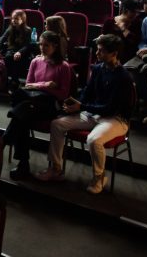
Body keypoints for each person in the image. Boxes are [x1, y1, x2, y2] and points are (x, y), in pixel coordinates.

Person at [37, 34, 133, 195]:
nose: (97, 54)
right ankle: (56, 168)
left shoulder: (123, 77)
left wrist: (81, 106)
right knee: (57, 124)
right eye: (97, 50)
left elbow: (109, 108)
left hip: (116, 119)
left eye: (101, 51)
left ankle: (99, 177)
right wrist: (75, 104)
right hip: (94, 113)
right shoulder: (98, 69)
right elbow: (87, 93)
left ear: (114, 53)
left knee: (93, 139)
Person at [3, 31, 73, 180]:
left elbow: (63, 95)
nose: (42, 47)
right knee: (22, 118)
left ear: (55, 46)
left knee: (21, 114)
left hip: (50, 105)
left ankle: (15, 153)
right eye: (40, 44)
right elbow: (28, 85)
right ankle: (23, 164)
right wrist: (46, 85)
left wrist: (43, 88)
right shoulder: (36, 61)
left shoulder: (63, 66)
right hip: (32, 102)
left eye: (46, 45)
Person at [0, 9, 34, 85]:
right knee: (8, 57)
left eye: (16, 19)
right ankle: (8, 80)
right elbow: (2, 38)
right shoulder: (10, 28)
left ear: (22, 20)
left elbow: (27, 45)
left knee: (17, 60)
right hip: (12, 50)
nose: (13, 21)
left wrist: (19, 52)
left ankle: (14, 80)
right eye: (12, 18)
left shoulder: (28, 30)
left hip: (23, 51)